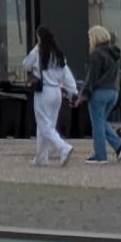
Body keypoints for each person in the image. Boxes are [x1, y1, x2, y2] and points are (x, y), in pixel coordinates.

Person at [22, 27, 78, 166]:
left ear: (40, 38)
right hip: (57, 91)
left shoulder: (39, 53)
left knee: (43, 125)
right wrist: (73, 91)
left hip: (43, 91)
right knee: (48, 125)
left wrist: (35, 48)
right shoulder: (59, 55)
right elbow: (67, 75)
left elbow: (26, 65)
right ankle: (41, 158)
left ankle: (63, 147)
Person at [81, 26, 121, 162]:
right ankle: (119, 146)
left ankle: (100, 155)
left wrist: (84, 93)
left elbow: (92, 77)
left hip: (99, 93)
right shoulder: (115, 54)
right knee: (101, 122)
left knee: (97, 125)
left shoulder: (96, 54)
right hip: (113, 92)